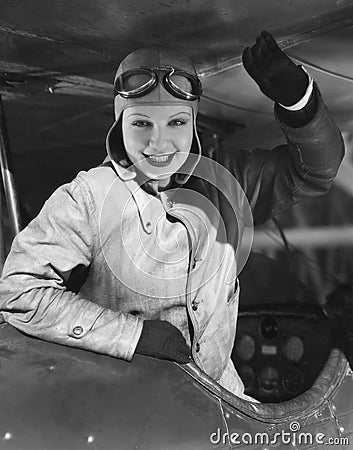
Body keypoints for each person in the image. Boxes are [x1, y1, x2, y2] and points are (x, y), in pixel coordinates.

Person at [0, 31, 344, 400]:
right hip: (133, 410)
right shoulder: (89, 197)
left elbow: (316, 171)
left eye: (176, 123)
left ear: (193, 122)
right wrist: (131, 336)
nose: (159, 144)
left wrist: (298, 101)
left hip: (225, 407)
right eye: (141, 124)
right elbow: (19, 291)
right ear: (119, 124)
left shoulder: (227, 182)